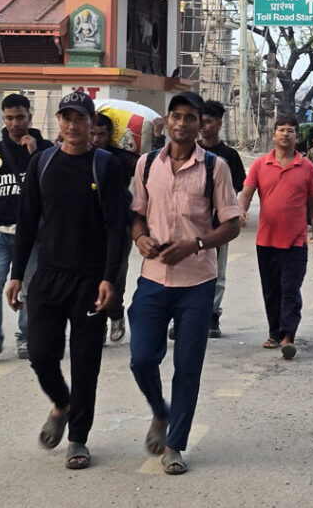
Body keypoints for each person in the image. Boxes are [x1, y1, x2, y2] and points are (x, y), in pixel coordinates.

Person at [7, 90, 128, 471]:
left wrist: (110, 279)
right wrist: (16, 274)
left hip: (90, 280)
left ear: (92, 124)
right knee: (40, 353)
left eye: (80, 119)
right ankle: (62, 402)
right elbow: (27, 221)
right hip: (48, 276)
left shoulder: (105, 166)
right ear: (58, 122)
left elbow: (117, 228)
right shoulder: (43, 163)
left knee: (86, 361)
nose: (73, 125)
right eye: (67, 118)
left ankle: (78, 439)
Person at [128, 92, 242, 475]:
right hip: (153, 279)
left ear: (200, 124)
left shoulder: (215, 167)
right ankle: (160, 411)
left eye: (190, 117)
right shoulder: (146, 164)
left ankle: (175, 444)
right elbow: (136, 214)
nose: (182, 123)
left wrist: (196, 244)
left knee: (187, 366)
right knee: (142, 358)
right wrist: (140, 237)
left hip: (197, 282)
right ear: (166, 121)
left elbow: (231, 225)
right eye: (175, 116)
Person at [0, 94, 52, 363]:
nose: (15, 123)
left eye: (20, 117)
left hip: (34, 233)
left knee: (30, 286)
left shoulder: (46, 149)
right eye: (9, 118)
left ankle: (26, 336)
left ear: (30, 116)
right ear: (3, 119)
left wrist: (35, 154)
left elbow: (53, 185)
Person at [239, 116, 313, 360]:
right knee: (271, 290)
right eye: (281, 130)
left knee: (290, 289)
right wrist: (241, 210)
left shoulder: (306, 167)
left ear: (296, 136)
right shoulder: (260, 164)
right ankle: (274, 333)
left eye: (290, 131)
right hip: (265, 240)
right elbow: (246, 193)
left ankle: (288, 336)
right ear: (274, 135)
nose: (285, 134)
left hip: (295, 242)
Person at [196, 99, 245, 340]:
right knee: (186, 270)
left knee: (217, 271)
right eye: (200, 122)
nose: (203, 127)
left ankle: (212, 315)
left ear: (219, 123)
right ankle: (185, 316)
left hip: (218, 225)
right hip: (189, 223)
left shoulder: (229, 156)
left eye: (207, 122)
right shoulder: (190, 151)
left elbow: (235, 189)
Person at [91, 113, 140, 343]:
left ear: (110, 135)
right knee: (92, 275)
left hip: (120, 224)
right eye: (92, 133)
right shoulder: (80, 155)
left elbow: (145, 164)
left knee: (117, 275)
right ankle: (97, 322)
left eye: (101, 134)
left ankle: (116, 313)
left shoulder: (120, 157)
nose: (96, 139)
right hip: (91, 225)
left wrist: (157, 138)